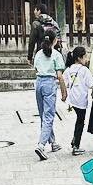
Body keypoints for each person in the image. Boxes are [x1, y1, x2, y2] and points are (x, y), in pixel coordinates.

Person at [32, 29, 66, 158]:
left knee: (44, 115)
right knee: (49, 116)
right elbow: (59, 76)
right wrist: (64, 91)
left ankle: (53, 142)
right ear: (55, 40)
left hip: (39, 82)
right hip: (49, 84)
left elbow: (35, 68)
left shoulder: (39, 53)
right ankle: (41, 145)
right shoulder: (56, 55)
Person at [63, 46, 93, 155]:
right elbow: (91, 85)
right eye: (85, 57)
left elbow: (63, 82)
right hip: (81, 100)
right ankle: (76, 146)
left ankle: (75, 140)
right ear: (80, 58)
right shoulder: (84, 70)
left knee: (78, 120)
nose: (86, 59)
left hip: (72, 100)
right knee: (80, 122)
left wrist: (64, 95)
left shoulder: (68, 69)